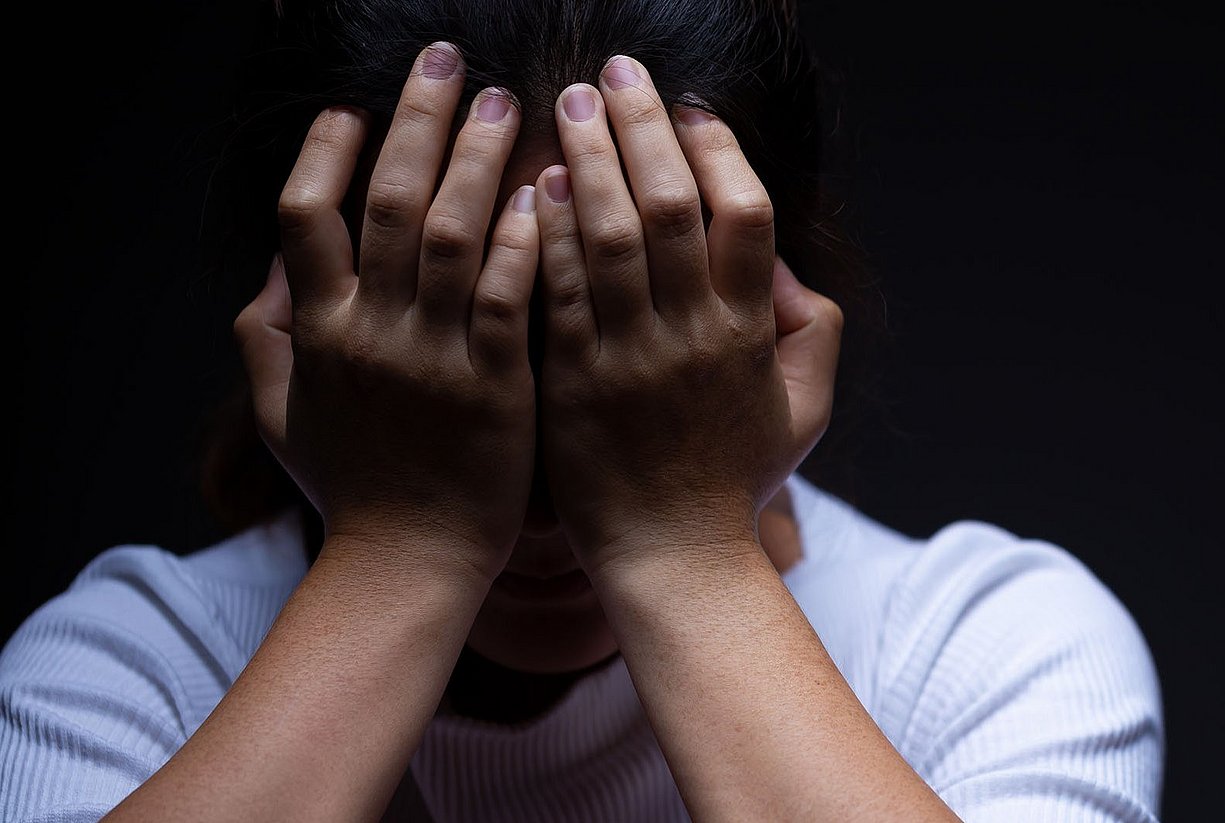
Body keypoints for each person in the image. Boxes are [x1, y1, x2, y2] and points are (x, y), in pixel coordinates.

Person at [0, 1, 1163, 821]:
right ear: (301, 327)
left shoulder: (982, 650)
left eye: (629, 344)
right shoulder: (135, 662)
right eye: (456, 347)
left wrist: (683, 543)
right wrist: (408, 543)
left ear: (781, 316)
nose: (547, 490)